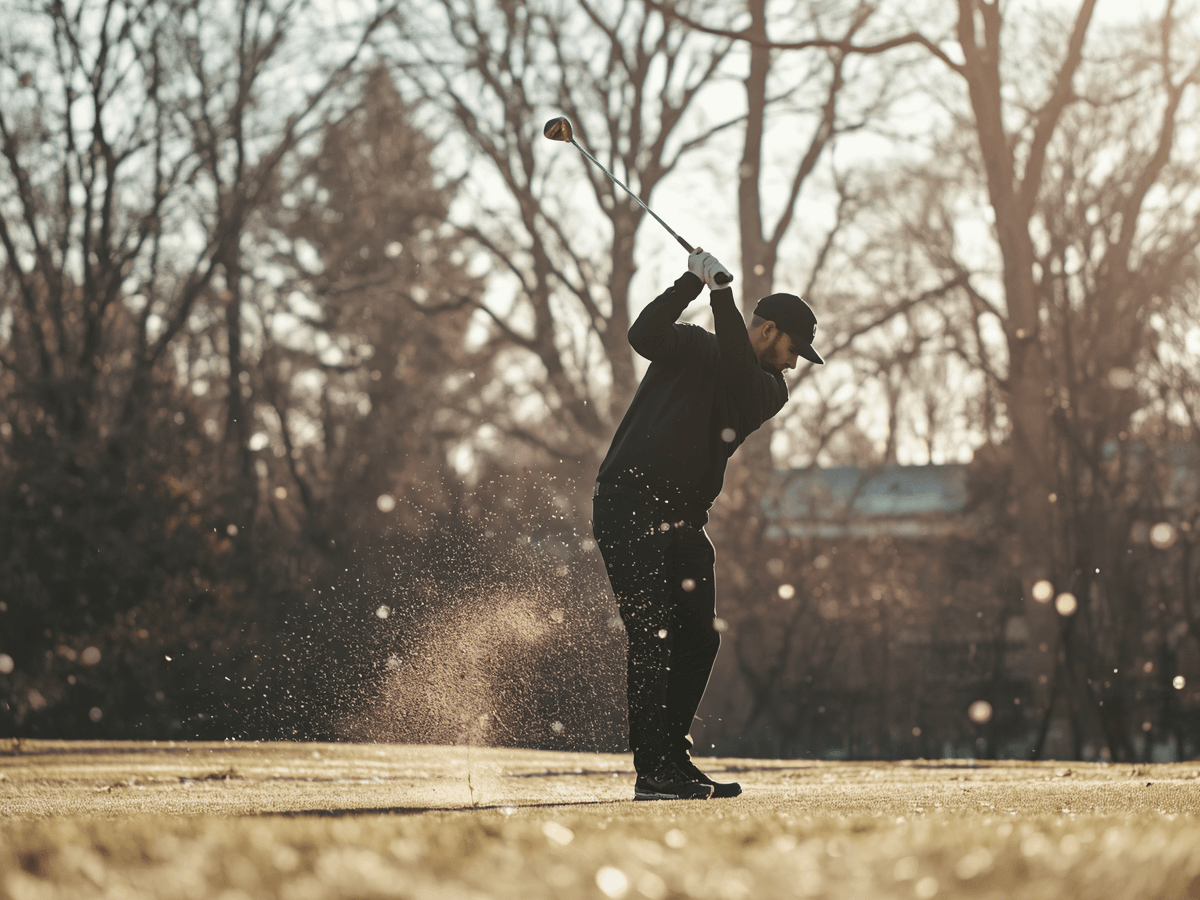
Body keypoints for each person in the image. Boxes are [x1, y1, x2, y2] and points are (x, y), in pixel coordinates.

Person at [592, 249, 824, 801]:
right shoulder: (695, 343)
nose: (794, 364)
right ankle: (654, 771)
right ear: (768, 330)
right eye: (793, 349)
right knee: (652, 636)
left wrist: (721, 294)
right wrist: (690, 284)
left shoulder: (768, 390)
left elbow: (737, 374)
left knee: (698, 639)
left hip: (684, 523)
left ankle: (673, 758)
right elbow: (643, 335)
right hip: (627, 505)